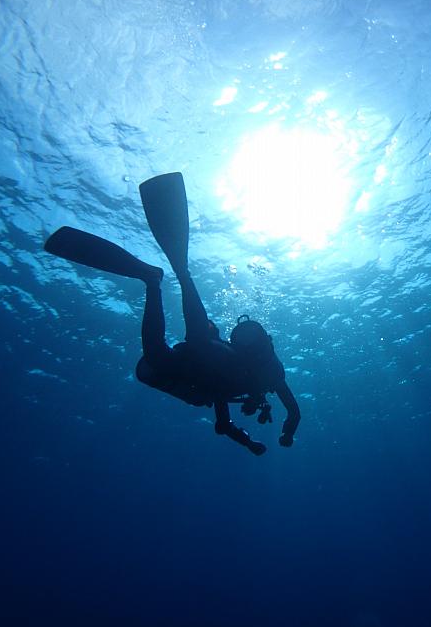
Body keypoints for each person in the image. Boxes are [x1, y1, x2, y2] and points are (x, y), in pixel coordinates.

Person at [44, 172, 300, 456]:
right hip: (218, 356)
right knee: (200, 343)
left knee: (154, 359)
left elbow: (224, 425)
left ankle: (151, 280)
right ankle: (182, 272)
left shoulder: (227, 391)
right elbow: (294, 412)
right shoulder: (272, 376)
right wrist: (286, 433)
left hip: (204, 370)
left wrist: (250, 443)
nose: (251, 407)